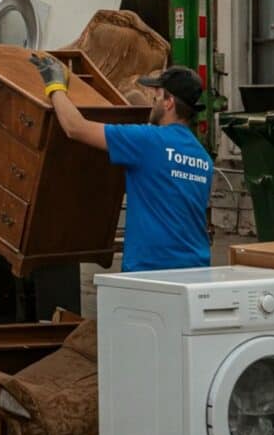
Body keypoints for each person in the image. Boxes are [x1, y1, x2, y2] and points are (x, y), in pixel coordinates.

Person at [30, 56, 212, 273]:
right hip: (196, 269)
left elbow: (75, 127)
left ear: (169, 102)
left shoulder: (147, 142)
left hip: (151, 271)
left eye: (156, 95)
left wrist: (55, 86)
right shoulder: (203, 158)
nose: (151, 100)